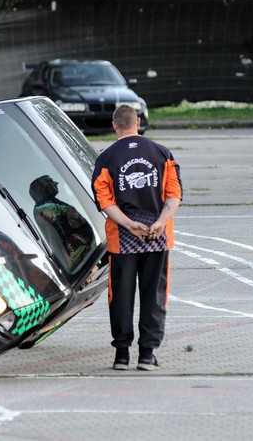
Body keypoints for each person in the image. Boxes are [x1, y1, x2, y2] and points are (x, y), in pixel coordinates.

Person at [91, 104, 182, 371]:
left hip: (122, 238)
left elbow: (104, 201)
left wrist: (129, 224)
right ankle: (146, 354)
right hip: (158, 235)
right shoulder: (162, 153)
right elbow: (173, 195)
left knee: (121, 294)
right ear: (139, 122)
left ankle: (121, 355)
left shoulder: (105, 158)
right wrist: (161, 222)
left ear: (114, 125)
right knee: (154, 293)